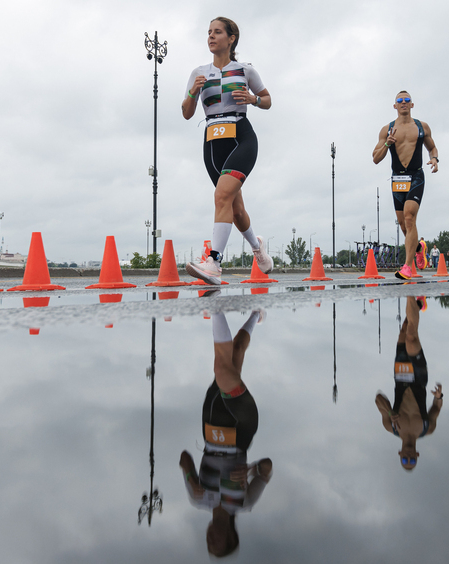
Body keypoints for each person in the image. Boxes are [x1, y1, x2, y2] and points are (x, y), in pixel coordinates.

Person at [182, 17, 273, 285]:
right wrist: (193, 92)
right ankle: (256, 246)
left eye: (217, 32)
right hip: (212, 142)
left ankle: (213, 262)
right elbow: (186, 113)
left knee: (221, 195)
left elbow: (268, 100)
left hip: (241, 137)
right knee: (234, 208)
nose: (211, 36)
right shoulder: (198, 73)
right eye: (209, 32)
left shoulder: (245, 70)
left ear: (231, 39)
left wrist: (254, 99)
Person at [179, 310, 272, 557]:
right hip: (242, 430)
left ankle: (257, 315)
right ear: (231, 537)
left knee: (235, 354)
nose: (209, 539)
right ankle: (215, 306)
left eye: (207, 543)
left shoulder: (197, 499)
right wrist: (251, 469)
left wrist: (190, 478)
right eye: (216, 543)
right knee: (222, 368)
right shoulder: (245, 503)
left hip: (211, 427)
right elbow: (267, 468)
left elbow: (184, 458)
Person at [373, 91, 439, 279]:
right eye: (400, 100)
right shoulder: (387, 130)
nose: (404, 102)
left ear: (412, 104)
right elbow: (375, 158)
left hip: (416, 176)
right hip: (397, 179)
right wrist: (387, 144)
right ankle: (419, 248)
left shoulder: (421, 127)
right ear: (395, 105)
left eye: (407, 100)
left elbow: (432, 147)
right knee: (403, 225)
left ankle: (407, 267)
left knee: (410, 218)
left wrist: (434, 158)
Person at [375, 296, 443, 471]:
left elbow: (378, 398)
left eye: (405, 460)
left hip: (401, 375)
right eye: (412, 460)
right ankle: (410, 289)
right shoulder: (427, 429)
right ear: (417, 455)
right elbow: (436, 409)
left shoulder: (391, 427)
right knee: (411, 337)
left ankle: (419, 303)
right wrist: (438, 396)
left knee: (405, 329)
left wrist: (390, 412)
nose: (408, 457)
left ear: (399, 454)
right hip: (419, 379)